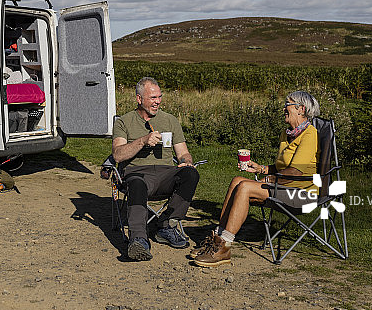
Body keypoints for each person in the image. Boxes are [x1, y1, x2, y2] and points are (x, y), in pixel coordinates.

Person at [192, 90, 320, 267]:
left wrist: (269, 180)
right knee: (237, 180)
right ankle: (217, 239)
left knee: (245, 187)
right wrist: (262, 169)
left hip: (302, 194)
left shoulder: (310, 135)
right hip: (285, 188)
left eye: (287, 104)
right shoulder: (288, 134)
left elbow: (297, 172)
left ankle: (224, 247)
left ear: (301, 109)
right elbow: (283, 167)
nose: (284, 108)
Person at [112, 77, 200, 261]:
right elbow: (118, 155)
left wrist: (186, 161)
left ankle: (166, 226)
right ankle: (139, 240)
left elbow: (184, 153)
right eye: (152, 97)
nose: (157, 101)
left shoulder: (170, 120)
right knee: (136, 184)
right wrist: (143, 141)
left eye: (159, 97)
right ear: (139, 99)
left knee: (190, 174)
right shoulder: (124, 122)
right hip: (137, 174)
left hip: (165, 174)